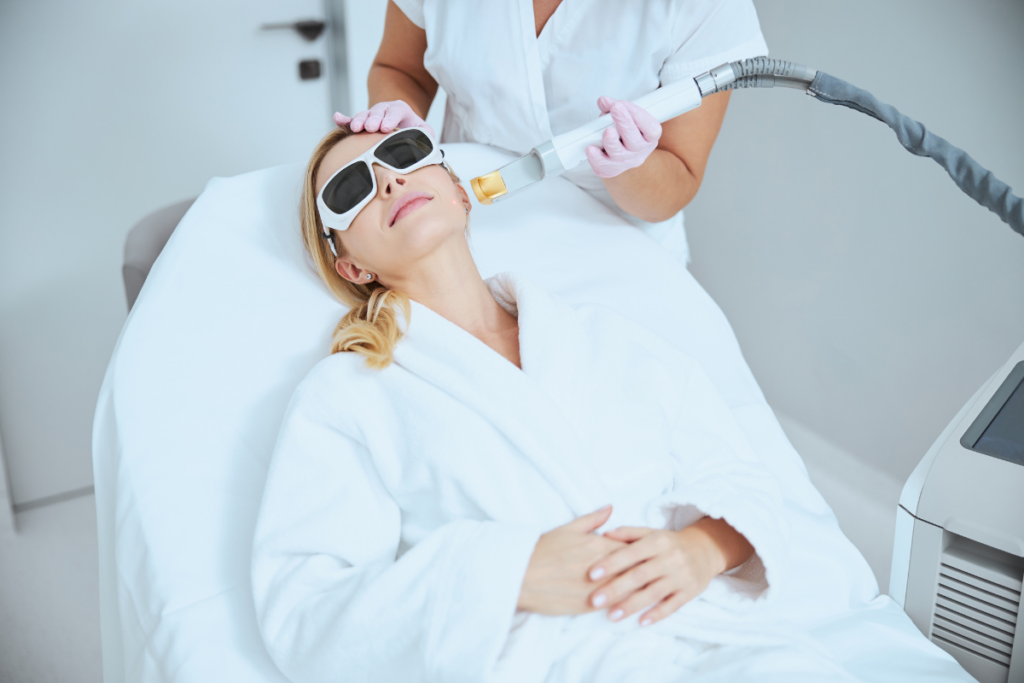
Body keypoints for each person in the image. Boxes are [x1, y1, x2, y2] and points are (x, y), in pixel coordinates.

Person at [249, 125, 819, 683]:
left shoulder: (606, 337)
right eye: (351, 190)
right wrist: (506, 576)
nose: (389, 182)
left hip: (713, 641)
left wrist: (700, 549)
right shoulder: (348, 394)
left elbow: (741, 477)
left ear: (457, 189)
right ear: (350, 264)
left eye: (403, 153)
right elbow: (305, 610)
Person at [335, 0, 770, 266]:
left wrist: (627, 165)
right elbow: (399, 68)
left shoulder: (707, 6)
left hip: (616, 241)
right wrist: (399, 133)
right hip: (469, 218)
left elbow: (678, 175)